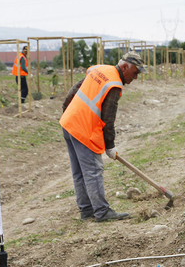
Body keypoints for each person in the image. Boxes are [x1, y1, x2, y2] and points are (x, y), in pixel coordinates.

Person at [59, 51, 146, 222]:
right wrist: (110, 145)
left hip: (69, 123)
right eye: (135, 72)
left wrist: (67, 112)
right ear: (125, 66)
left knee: (79, 172)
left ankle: (86, 210)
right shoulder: (114, 84)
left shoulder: (100, 70)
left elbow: (74, 90)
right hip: (83, 129)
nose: (135, 77)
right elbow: (108, 118)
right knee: (92, 171)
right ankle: (102, 211)